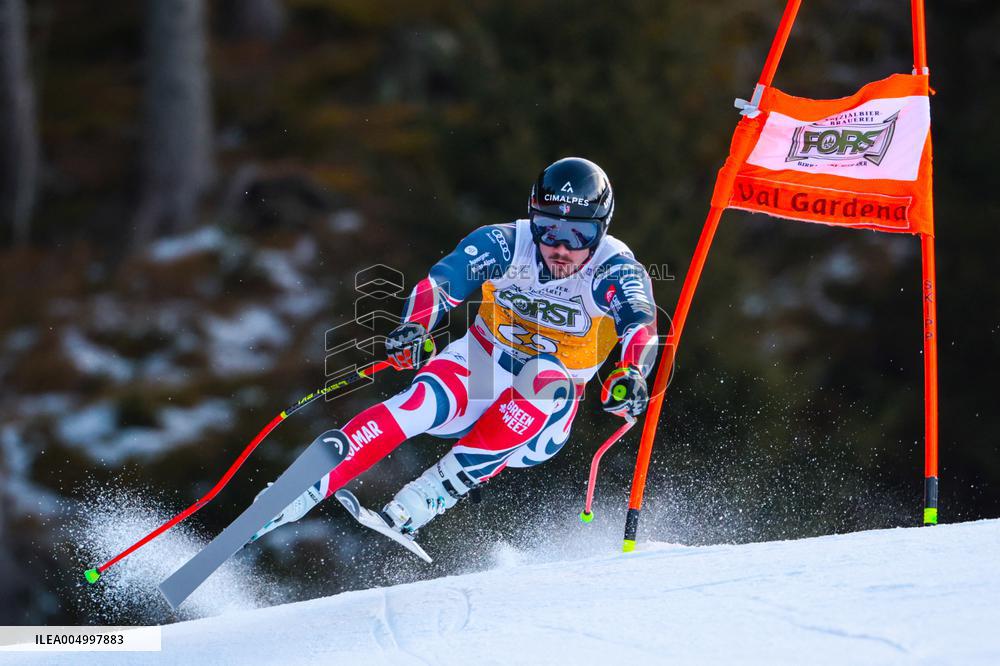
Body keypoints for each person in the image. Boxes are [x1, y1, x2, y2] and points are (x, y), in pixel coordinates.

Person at [253, 157, 658, 543]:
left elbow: (640, 325)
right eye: (549, 229)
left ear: (601, 231)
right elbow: (441, 285)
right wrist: (414, 326)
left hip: (540, 419)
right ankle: (299, 491)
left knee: (544, 374)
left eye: (579, 235)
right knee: (416, 403)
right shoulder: (506, 243)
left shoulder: (614, 268)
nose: (561, 248)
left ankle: (430, 495)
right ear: (533, 217)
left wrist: (632, 373)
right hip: (480, 368)